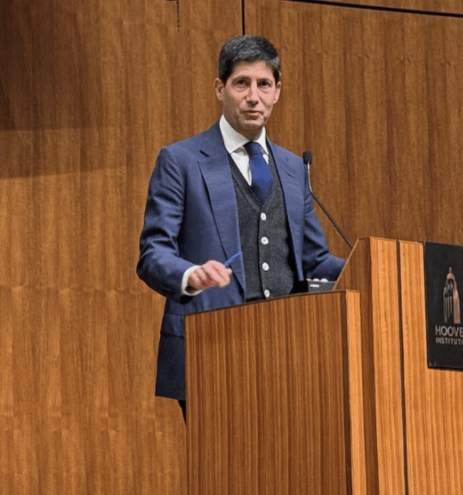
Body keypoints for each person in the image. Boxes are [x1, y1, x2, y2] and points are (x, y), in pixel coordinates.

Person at [136, 35, 346, 413]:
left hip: (290, 352)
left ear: (277, 92)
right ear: (221, 89)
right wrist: (190, 275)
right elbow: (153, 253)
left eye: (264, 84)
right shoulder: (181, 161)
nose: (253, 97)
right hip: (212, 348)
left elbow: (314, 261)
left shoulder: (293, 169)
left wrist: (369, 266)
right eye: (241, 83)